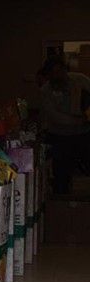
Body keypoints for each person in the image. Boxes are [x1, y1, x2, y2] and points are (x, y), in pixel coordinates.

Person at [40, 58, 90, 193]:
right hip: (59, 137)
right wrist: (79, 120)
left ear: (65, 70)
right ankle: (61, 205)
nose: (57, 75)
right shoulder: (46, 91)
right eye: (53, 72)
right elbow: (55, 116)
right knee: (61, 174)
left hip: (83, 134)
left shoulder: (80, 80)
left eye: (60, 71)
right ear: (48, 74)